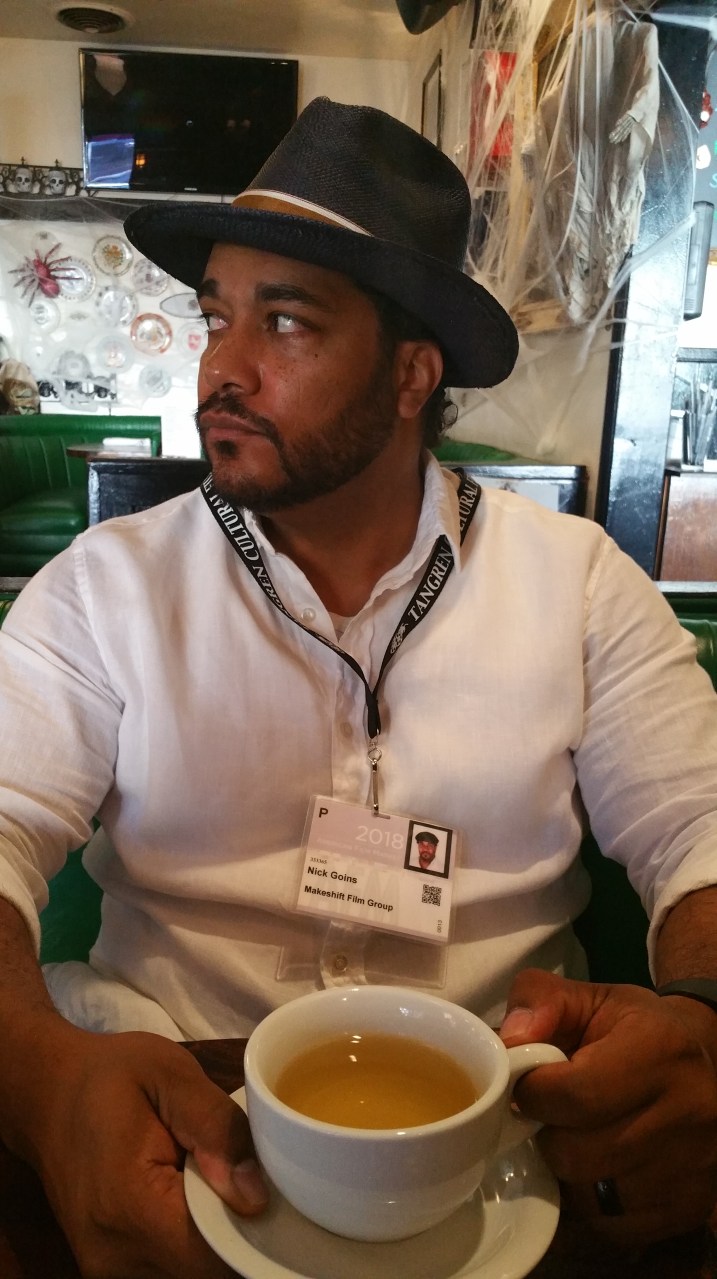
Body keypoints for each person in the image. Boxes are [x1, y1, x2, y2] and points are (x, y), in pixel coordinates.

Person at [0, 96, 715, 1277]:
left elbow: (700, 832)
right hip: (173, 1125)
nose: (221, 368)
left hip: (502, 1148)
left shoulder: (580, 584)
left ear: (409, 375)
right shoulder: (106, 589)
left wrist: (706, 1030)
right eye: (216, 316)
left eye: (284, 323)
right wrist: (33, 1079)